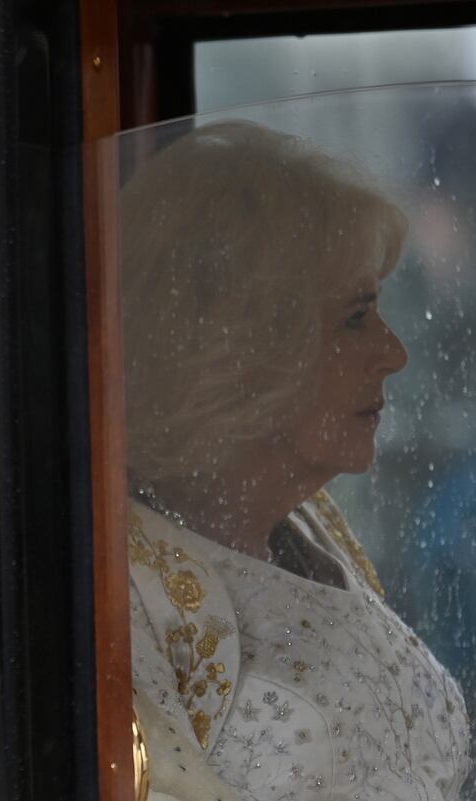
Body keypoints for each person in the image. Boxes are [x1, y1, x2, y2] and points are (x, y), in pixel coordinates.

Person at [121, 121, 471, 801]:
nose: (394, 353)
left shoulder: (308, 526)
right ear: (241, 350)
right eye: (354, 317)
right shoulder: (117, 590)